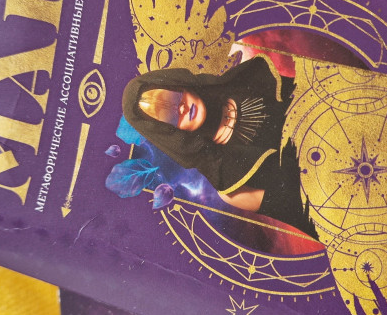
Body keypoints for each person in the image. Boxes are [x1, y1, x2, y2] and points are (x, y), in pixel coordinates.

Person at [121, 56, 316, 238]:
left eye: (173, 98)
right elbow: (309, 215)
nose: (181, 108)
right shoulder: (231, 185)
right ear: (168, 132)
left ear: (178, 84)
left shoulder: (248, 78)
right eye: (169, 116)